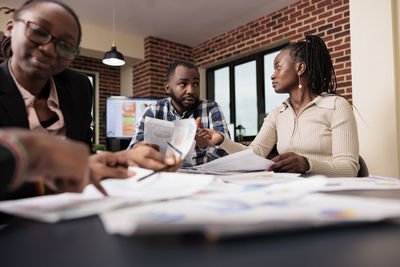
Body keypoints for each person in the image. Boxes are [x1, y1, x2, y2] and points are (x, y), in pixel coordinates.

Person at [0, 0, 180, 198]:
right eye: (39, 31)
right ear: (10, 28)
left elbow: (85, 158)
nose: (50, 50)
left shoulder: (79, 86)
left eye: (65, 46)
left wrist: (123, 158)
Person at [197, 35, 359, 177]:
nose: (272, 75)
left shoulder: (336, 106)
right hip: (290, 190)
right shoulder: (277, 114)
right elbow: (255, 153)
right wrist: (221, 140)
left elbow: (350, 168)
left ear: (300, 68)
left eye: (278, 67)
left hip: (329, 193)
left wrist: (307, 164)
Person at [128, 60, 229, 166]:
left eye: (195, 84)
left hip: (204, 176)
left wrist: (207, 144)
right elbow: (132, 152)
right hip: (164, 174)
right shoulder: (153, 110)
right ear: (168, 88)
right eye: (183, 84)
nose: (191, 90)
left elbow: (228, 154)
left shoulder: (210, 108)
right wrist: (141, 149)